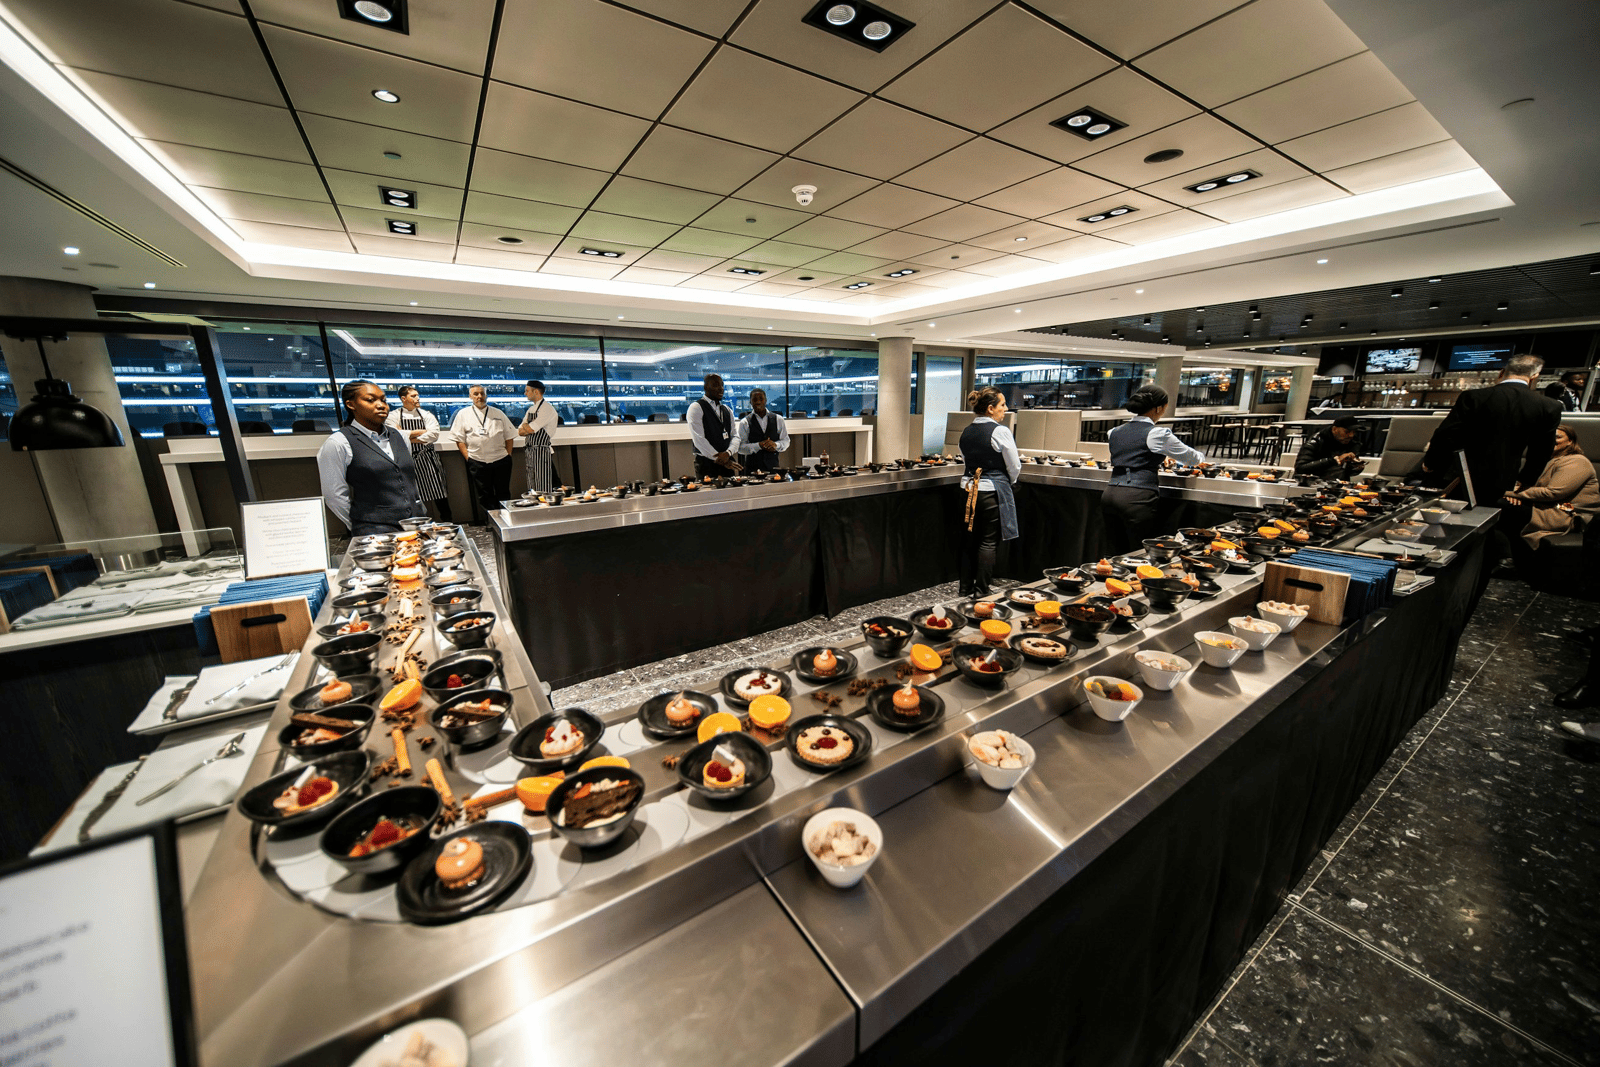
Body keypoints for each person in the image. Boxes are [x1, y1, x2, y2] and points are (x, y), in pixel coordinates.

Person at [1422, 353, 1562, 503]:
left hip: (1460, 474)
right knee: (1483, 518)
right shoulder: (1549, 406)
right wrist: (1526, 480)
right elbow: (1542, 449)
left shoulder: (1473, 396)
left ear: (1502, 371)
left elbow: (1447, 434)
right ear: (1534, 375)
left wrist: (1431, 463)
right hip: (1502, 478)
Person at [1101, 385, 1204, 554]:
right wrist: (1201, 459)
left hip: (1110, 493)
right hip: (1137, 497)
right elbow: (1190, 457)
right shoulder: (1157, 433)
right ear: (1158, 408)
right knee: (1139, 552)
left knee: (1114, 552)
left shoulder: (1114, 432)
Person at [316, 379, 423, 536]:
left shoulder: (400, 436)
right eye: (370, 400)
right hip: (374, 532)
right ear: (351, 405)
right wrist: (362, 525)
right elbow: (334, 496)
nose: (381, 405)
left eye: (383, 400)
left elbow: (407, 480)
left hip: (414, 524)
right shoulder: (338, 442)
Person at [1500, 424, 1599, 571]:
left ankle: (1512, 559)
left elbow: (1553, 493)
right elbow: (1525, 485)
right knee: (1504, 505)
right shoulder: (1548, 460)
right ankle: (1509, 557)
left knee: (1504, 507)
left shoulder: (1577, 461)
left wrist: (1511, 493)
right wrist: (1518, 495)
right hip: (1547, 507)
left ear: (1570, 441)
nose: (1553, 440)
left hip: (1568, 513)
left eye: (1558, 437)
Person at [958, 387, 1021, 597]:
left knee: (969, 540)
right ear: (991, 409)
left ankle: (965, 587)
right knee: (987, 541)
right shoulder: (1000, 431)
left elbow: (966, 461)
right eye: (1002, 405)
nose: (1006, 409)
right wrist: (1007, 482)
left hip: (967, 490)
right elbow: (1014, 466)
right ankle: (981, 590)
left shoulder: (966, 431)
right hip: (989, 491)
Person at [449, 384, 516, 523]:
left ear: (486, 395)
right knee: (484, 495)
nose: (479, 396)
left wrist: (508, 455)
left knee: (503, 492)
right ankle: (491, 522)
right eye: (476, 394)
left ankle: (506, 521)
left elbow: (509, 436)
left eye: (482, 393)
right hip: (477, 460)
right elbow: (459, 439)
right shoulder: (462, 414)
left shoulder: (498, 413)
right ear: (470, 396)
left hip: (501, 459)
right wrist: (468, 458)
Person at [385, 385, 449, 521]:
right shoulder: (393, 416)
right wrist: (421, 432)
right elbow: (395, 435)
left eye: (417, 395)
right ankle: (420, 526)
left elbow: (434, 435)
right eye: (413, 396)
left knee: (440, 496)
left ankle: (448, 522)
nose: (417, 398)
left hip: (428, 459)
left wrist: (407, 436)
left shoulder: (426, 414)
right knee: (413, 496)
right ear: (403, 398)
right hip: (406, 460)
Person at [687, 373, 741, 477]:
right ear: (705, 387)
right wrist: (720, 458)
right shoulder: (696, 407)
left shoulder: (727, 410)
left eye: (722, 385)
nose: (721, 389)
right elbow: (699, 440)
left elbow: (735, 436)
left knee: (731, 493)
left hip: (727, 461)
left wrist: (728, 453)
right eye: (716, 385)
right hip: (707, 465)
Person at [517, 379, 558, 495]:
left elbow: (530, 429)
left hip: (541, 451)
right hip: (530, 451)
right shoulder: (531, 409)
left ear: (536, 392)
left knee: (543, 486)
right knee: (532, 485)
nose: (525, 393)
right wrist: (527, 427)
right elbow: (520, 432)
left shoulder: (547, 408)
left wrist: (526, 426)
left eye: (527, 391)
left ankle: (545, 510)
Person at [1294, 415, 1365, 479]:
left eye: (1354, 432)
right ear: (1334, 429)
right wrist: (1334, 460)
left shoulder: (1354, 442)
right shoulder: (1316, 442)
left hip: (1339, 485)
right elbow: (1300, 468)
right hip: (1313, 483)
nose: (1351, 435)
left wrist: (1356, 467)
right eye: (1347, 431)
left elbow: (1349, 472)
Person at [738, 388, 790, 473]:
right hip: (752, 470)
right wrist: (759, 445)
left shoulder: (778, 419)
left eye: (761, 399)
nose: (758, 402)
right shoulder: (744, 422)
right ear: (750, 402)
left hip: (773, 469)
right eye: (754, 400)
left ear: (766, 400)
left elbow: (786, 441)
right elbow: (740, 448)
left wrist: (776, 445)